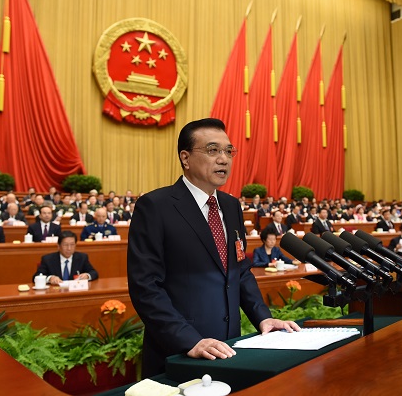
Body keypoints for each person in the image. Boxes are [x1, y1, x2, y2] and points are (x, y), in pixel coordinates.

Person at [127, 118, 299, 378]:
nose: (224, 159)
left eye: (228, 151)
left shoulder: (231, 206)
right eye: (212, 150)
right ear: (185, 158)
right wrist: (189, 340)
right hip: (179, 354)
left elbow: (239, 271)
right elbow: (145, 287)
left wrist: (263, 318)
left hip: (228, 350)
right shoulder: (155, 206)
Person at [32, 231, 98, 284]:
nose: (69, 248)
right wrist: (50, 278)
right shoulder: (48, 259)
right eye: (65, 245)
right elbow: (35, 277)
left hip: (75, 292)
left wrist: (87, 275)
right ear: (58, 246)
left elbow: (94, 273)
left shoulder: (82, 257)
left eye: (72, 245)